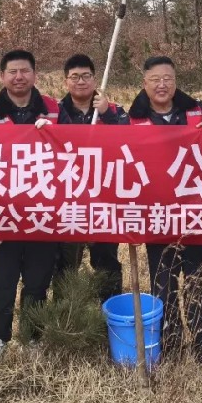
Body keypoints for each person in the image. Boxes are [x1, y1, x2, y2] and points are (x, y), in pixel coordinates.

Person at [127, 55, 202, 359]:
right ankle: (172, 342)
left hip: (196, 212)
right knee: (163, 283)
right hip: (157, 214)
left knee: (200, 282)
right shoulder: (131, 119)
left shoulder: (197, 111)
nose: (162, 85)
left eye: (168, 79)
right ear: (145, 83)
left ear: (176, 82)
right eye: (155, 79)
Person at [0, 49, 61, 366]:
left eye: (25, 71)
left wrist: (54, 134)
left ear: (34, 75)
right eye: (12, 72)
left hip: (44, 212)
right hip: (4, 215)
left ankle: (31, 339)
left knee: (37, 283)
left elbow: (78, 148)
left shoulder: (55, 110)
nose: (19, 77)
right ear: (2, 76)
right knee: (3, 283)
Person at [52, 54, 127, 302]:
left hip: (103, 199)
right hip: (68, 200)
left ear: (95, 79)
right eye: (74, 77)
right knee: (66, 264)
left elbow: (130, 144)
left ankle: (110, 313)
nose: (81, 81)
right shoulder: (54, 112)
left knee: (106, 263)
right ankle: (66, 315)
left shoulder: (114, 111)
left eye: (86, 76)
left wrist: (106, 115)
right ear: (66, 81)